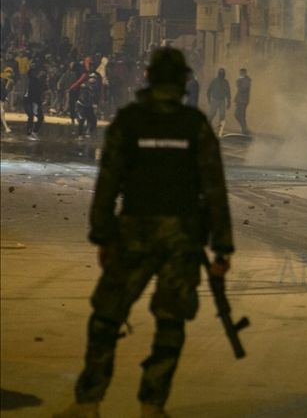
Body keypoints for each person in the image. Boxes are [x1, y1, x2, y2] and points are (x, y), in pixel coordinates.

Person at [54, 47, 234, 418]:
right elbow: (214, 189)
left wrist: (102, 235)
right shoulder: (195, 125)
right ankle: (152, 404)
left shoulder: (130, 121)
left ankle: (88, 401)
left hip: (133, 232)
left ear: (148, 78)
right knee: (170, 322)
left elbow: (108, 182)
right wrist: (222, 249)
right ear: (184, 81)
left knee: (106, 316)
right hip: (182, 238)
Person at [23, 66, 46, 139]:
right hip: (29, 101)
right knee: (31, 116)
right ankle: (29, 134)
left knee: (40, 117)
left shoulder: (40, 81)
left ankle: (34, 132)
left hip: (34, 101)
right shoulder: (33, 80)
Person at [207, 68, 230, 137]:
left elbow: (228, 92)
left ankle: (220, 132)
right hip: (214, 100)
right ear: (218, 73)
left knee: (222, 116)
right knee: (211, 115)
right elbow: (209, 91)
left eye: (223, 72)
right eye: (220, 72)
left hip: (222, 100)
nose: (221, 74)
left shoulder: (226, 82)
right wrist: (209, 100)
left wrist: (229, 101)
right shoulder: (214, 81)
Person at [76, 73, 98, 138]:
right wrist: (92, 104)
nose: (93, 79)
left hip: (89, 107)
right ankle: (80, 135)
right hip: (82, 106)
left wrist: (94, 104)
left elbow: (94, 97)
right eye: (92, 78)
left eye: (94, 78)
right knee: (82, 120)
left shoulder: (95, 86)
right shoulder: (84, 86)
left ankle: (88, 133)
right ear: (89, 78)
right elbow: (83, 97)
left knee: (93, 121)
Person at [233, 68, 251, 135]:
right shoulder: (242, 80)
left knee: (241, 115)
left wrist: (238, 82)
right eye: (240, 73)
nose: (240, 74)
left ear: (245, 73)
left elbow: (242, 89)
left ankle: (244, 131)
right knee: (236, 115)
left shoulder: (246, 80)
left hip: (243, 101)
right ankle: (245, 128)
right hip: (240, 100)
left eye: (242, 73)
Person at [1, 67, 13, 133]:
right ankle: (6, 128)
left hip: (2, 97)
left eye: (10, 72)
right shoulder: (2, 78)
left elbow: (5, 90)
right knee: (2, 111)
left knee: (2, 111)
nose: (9, 74)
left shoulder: (8, 81)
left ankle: (6, 128)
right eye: (8, 72)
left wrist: (5, 97)